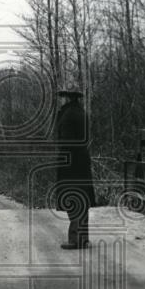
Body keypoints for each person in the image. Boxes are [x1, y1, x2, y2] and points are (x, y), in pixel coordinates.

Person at [53, 87, 95, 250]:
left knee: (72, 198)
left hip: (71, 162)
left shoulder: (68, 115)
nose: (61, 100)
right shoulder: (81, 113)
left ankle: (75, 239)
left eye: (63, 97)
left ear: (68, 98)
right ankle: (83, 239)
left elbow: (67, 141)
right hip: (82, 160)